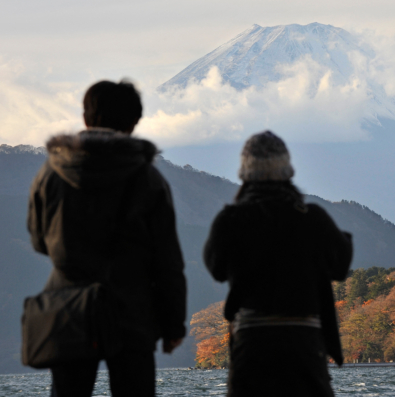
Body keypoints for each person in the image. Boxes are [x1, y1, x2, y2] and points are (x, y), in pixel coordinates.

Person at [27, 80, 187, 397]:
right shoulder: (148, 177)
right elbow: (167, 260)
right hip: (133, 312)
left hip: (68, 307)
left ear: (86, 117)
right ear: (133, 123)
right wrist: (173, 326)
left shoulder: (51, 173)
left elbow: (39, 240)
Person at [204, 131, 353, 397]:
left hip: (251, 339)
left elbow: (216, 268)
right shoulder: (312, 217)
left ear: (245, 172)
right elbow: (340, 267)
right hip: (304, 339)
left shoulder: (231, 219)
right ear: (287, 170)